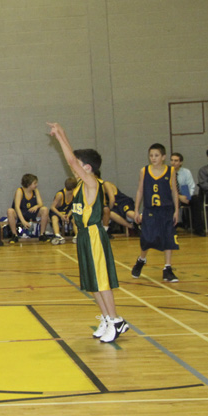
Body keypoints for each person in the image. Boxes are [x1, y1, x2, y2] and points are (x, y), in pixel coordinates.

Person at [48, 123, 128, 343]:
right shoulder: (81, 183)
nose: (74, 168)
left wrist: (59, 138)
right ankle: (106, 317)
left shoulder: (92, 183)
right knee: (91, 281)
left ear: (88, 168)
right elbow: (72, 159)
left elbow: (71, 160)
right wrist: (61, 133)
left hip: (93, 235)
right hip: (83, 235)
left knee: (101, 281)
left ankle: (116, 319)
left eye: (79, 166)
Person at [131, 143, 180, 282]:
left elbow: (174, 192)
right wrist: (136, 210)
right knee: (147, 239)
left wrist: (176, 210)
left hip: (166, 210)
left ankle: (167, 269)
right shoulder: (144, 171)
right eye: (151, 155)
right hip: (150, 210)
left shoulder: (170, 171)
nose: (153, 158)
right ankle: (141, 260)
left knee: (168, 239)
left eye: (156, 155)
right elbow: (140, 190)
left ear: (163, 157)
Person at [6, 173, 55, 243]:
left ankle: (42, 234)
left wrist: (37, 206)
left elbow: (41, 203)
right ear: (29, 184)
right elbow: (17, 207)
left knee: (45, 209)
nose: (36, 185)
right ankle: (14, 235)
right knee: (10, 211)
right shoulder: (19, 191)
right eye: (34, 183)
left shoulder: (35, 191)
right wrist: (23, 221)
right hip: (21, 212)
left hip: (31, 212)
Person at [170, 152, 203, 235]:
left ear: (181, 162)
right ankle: (172, 228)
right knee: (170, 202)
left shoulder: (186, 172)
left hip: (184, 192)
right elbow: (167, 189)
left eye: (176, 161)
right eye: (172, 160)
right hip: (172, 196)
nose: (173, 162)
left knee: (196, 200)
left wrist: (188, 197)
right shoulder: (167, 172)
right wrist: (178, 197)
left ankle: (198, 229)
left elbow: (191, 186)